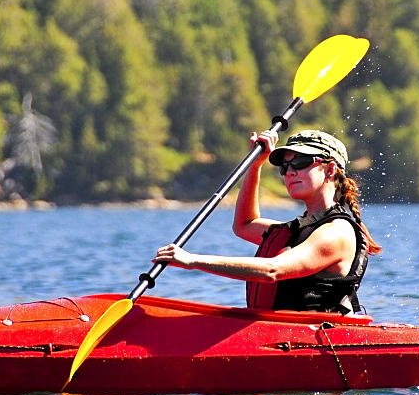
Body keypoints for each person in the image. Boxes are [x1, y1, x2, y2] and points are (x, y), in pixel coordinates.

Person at [153, 130, 382, 314]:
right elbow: (245, 224)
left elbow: (272, 269)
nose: (289, 172)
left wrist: (192, 260)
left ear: (331, 169)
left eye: (300, 162)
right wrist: (255, 165)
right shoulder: (299, 229)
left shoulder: (336, 232)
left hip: (313, 341)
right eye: (284, 166)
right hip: (281, 335)